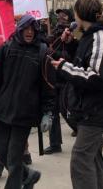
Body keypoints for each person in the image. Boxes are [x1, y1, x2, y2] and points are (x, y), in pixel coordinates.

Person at [50, 0, 103, 189]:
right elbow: (84, 63)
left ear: (80, 15)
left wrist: (64, 67)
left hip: (95, 112)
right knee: (93, 160)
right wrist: (71, 44)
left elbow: (96, 76)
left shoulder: (101, 37)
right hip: (89, 110)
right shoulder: (91, 36)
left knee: (80, 161)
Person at [0, 14, 55, 189]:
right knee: (2, 152)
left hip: (25, 113)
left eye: (33, 29)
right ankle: (28, 176)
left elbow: (49, 87)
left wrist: (48, 112)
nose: (29, 32)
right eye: (26, 29)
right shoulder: (5, 49)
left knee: (14, 157)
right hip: (3, 111)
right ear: (19, 29)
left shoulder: (42, 52)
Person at [44, 9, 78, 154]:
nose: (60, 18)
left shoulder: (76, 35)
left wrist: (67, 43)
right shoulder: (54, 34)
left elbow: (71, 57)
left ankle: (81, 131)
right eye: (59, 15)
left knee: (67, 111)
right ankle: (55, 143)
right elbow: (47, 49)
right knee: (53, 112)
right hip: (53, 80)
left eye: (64, 15)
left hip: (67, 80)